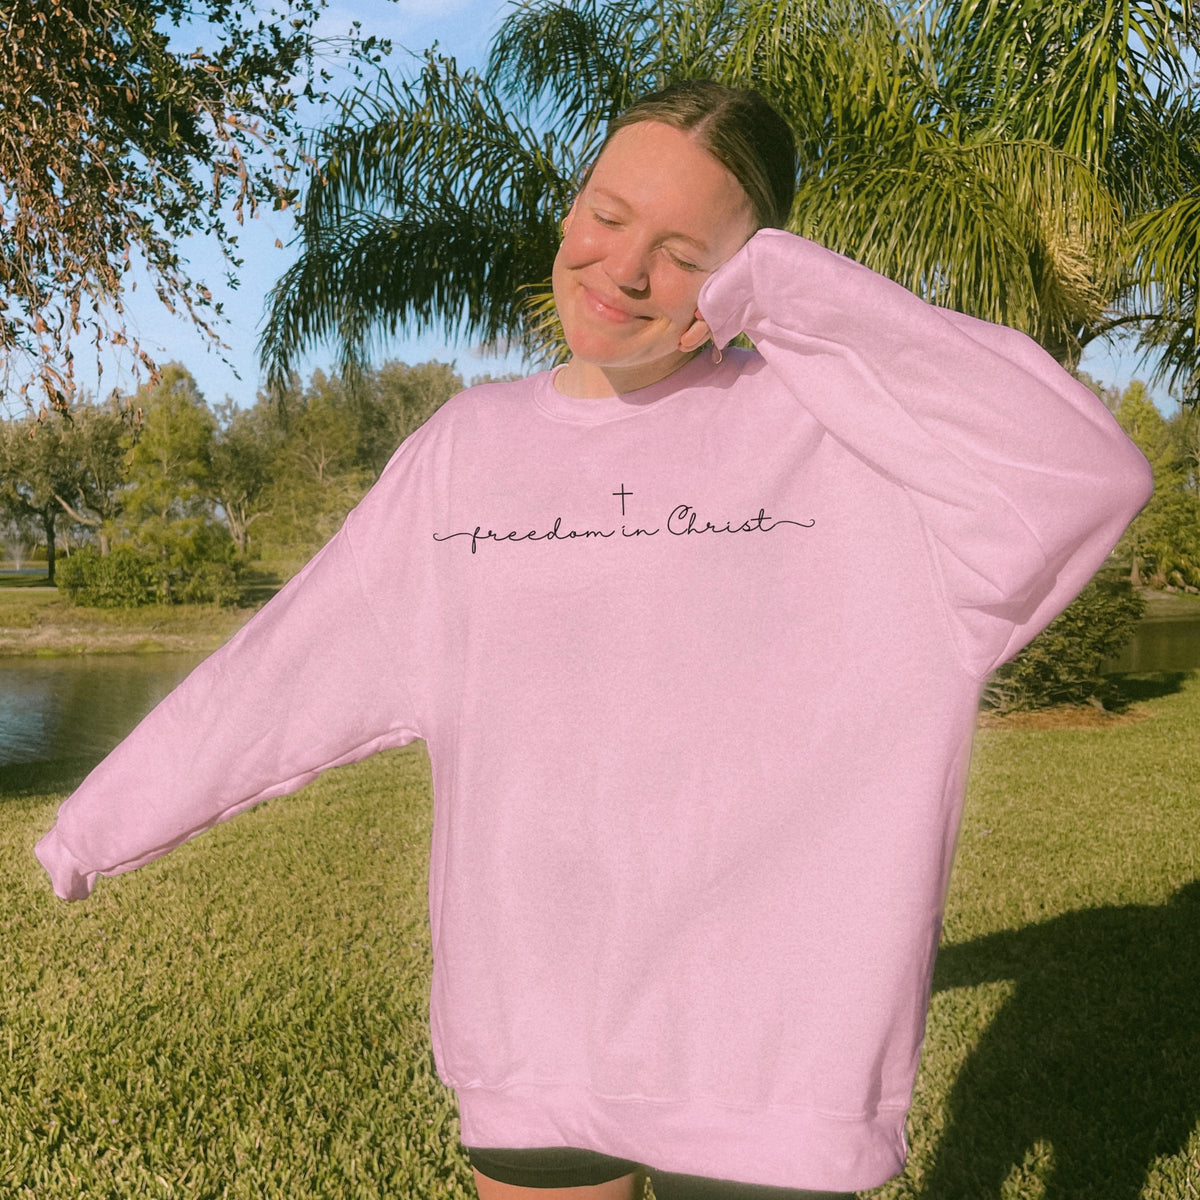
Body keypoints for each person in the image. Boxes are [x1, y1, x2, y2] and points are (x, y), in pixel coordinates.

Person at [35, 81, 1152, 1200]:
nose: (622, 271)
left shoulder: (850, 444)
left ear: (747, 269)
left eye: (682, 249)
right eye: (606, 216)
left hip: (773, 1066)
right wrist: (96, 826)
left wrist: (790, 295)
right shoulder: (467, 451)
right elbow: (290, 662)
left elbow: (1084, 472)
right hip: (534, 1034)